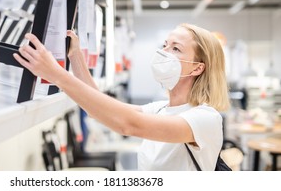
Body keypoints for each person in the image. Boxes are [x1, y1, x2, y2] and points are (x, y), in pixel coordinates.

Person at [13, 23, 230, 171]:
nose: (164, 52)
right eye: (165, 44)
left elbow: (128, 125)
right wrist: (75, 56)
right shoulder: (161, 109)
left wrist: (57, 75)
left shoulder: (205, 118)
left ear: (197, 68)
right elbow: (98, 105)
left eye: (176, 48)